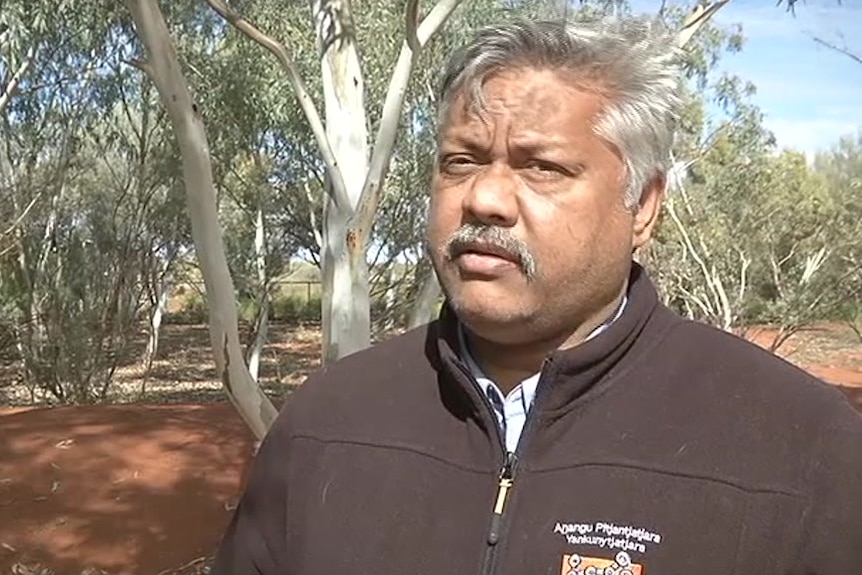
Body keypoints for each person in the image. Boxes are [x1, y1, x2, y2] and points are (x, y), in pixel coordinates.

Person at [211, 15, 862, 575]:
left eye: (542, 166)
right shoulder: (328, 423)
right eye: (461, 161)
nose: (485, 198)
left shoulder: (800, 449)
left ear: (644, 206)